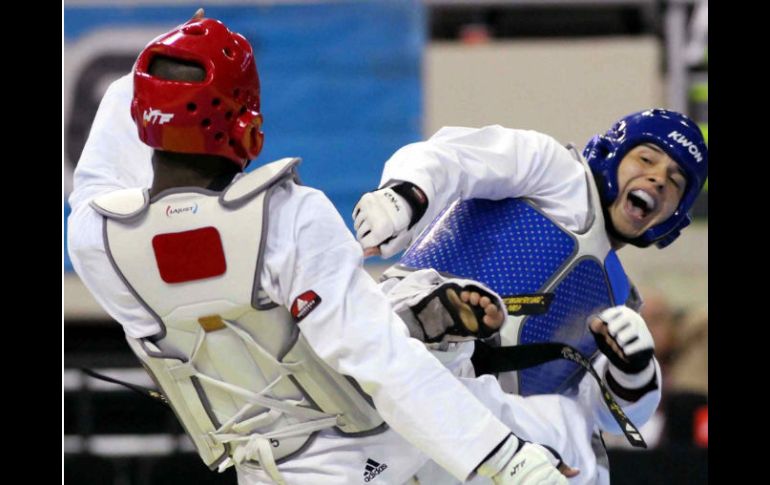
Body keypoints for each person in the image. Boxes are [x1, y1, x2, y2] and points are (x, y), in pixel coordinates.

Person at [66, 13, 575, 485]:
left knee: (424, 326)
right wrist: (513, 461)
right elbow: (382, 359)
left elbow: (102, 162)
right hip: (374, 458)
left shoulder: (97, 241)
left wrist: (154, 81)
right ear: (247, 125)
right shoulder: (285, 217)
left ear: (142, 118)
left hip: (269, 473)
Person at [352, 109, 708, 481]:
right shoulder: (554, 173)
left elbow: (609, 418)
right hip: (406, 349)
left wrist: (634, 372)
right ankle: (436, 315)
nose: (657, 179)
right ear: (610, 155)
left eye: (676, 181)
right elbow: (452, 156)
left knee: (583, 453)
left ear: (675, 215)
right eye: (646, 159)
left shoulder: (620, 301)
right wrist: (405, 194)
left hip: (473, 417)